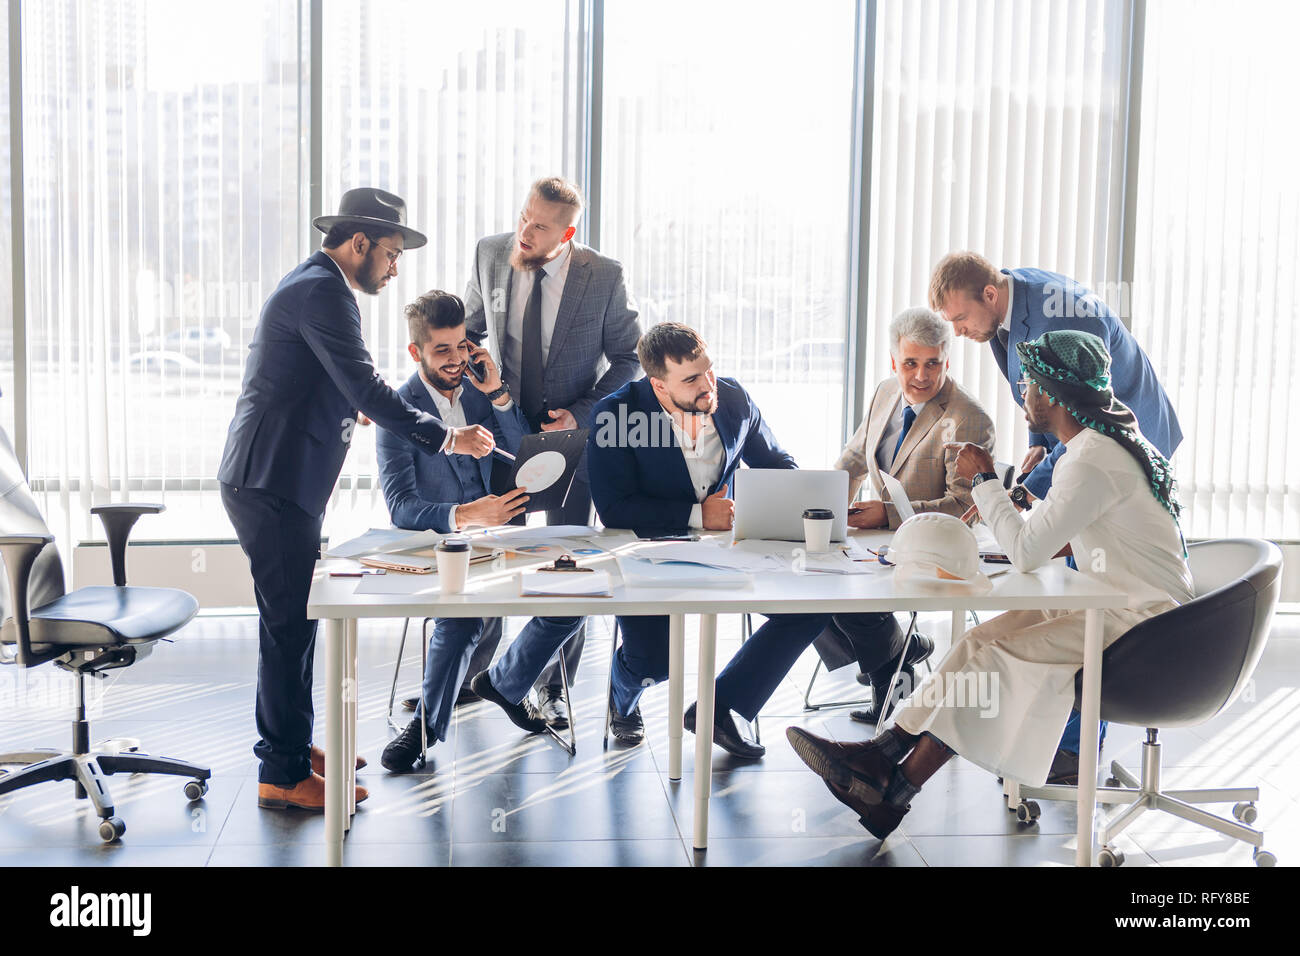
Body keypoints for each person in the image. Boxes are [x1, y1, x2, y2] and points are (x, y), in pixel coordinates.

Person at [788, 330, 1192, 839]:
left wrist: (985, 479)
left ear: (1052, 392)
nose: (1022, 390)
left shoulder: (1091, 458)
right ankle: (886, 767)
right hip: (1117, 601)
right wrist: (1026, 514)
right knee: (979, 641)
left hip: (1145, 626)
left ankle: (888, 779)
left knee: (995, 659)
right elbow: (1075, 535)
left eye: (1029, 383)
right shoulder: (1095, 448)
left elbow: (1027, 553)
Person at [218, 188, 495, 811]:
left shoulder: (314, 283)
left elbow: (326, 379)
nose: (395, 268)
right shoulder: (324, 291)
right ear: (359, 243)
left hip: (277, 478)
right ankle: (282, 774)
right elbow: (366, 383)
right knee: (287, 627)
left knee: (292, 622)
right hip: (273, 481)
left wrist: (350, 402)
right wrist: (446, 437)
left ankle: (289, 745)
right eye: (392, 254)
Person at [481, 322, 828, 759]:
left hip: (731, 549)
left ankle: (723, 707)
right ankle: (620, 701)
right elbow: (617, 508)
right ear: (658, 386)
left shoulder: (734, 398)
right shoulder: (617, 415)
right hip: (648, 552)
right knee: (653, 663)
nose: (708, 386)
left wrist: (808, 499)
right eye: (691, 379)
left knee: (812, 605)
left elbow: (775, 460)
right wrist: (699, 515)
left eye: (709, 371)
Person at [928, 251, 1184, 782]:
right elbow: (1041, 409)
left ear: (990, 296)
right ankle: (1044, 749)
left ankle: (1069, 754)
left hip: (1121, 443)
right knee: (1047, 599)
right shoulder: (1004, 320)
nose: (956, 331)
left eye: (958, 319)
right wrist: (1032, 474)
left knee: (1077, 591)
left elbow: (1070, 403)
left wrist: (1001, 488)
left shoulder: (1059, 321)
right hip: (1083, 448)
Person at [374, 290, 584, 772]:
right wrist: (467, 515)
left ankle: (505, 682)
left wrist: (498, 395)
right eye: (441, 350)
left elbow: (525, 452)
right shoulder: (397, 410)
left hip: (505, 537)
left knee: (576, 597)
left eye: (461, 346)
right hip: (444, 544)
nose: (455, 360)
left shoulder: (477, 392)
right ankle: (427, 726)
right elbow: (401, 506)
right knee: (463, 620)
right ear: (416, 352)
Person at [462, 176, 643, 726]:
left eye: (539, 227)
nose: (524, 232)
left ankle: (552, 687)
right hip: (499, 434)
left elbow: (628, 358)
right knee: (488, 553)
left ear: (565, 232)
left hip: (570, 441)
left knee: (569, 565)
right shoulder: (492, 253)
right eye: (522, 217)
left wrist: (583, 413)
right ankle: (477, 675)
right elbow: (469, 331)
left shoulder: (603, 276)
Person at [818, 307, 995, 725]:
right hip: (879, 540)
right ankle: (901, 649)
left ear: (946, 361)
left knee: (849, 599)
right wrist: (825, 511)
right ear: (894, 362)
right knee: (812, 582)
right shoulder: (885, 392)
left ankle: (889, 664)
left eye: (933, 363)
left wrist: (889, 514)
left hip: (933, 551)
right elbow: (854, 459)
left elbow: (963, 509)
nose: (921, 375)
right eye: (911, 363)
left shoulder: (968, 417)